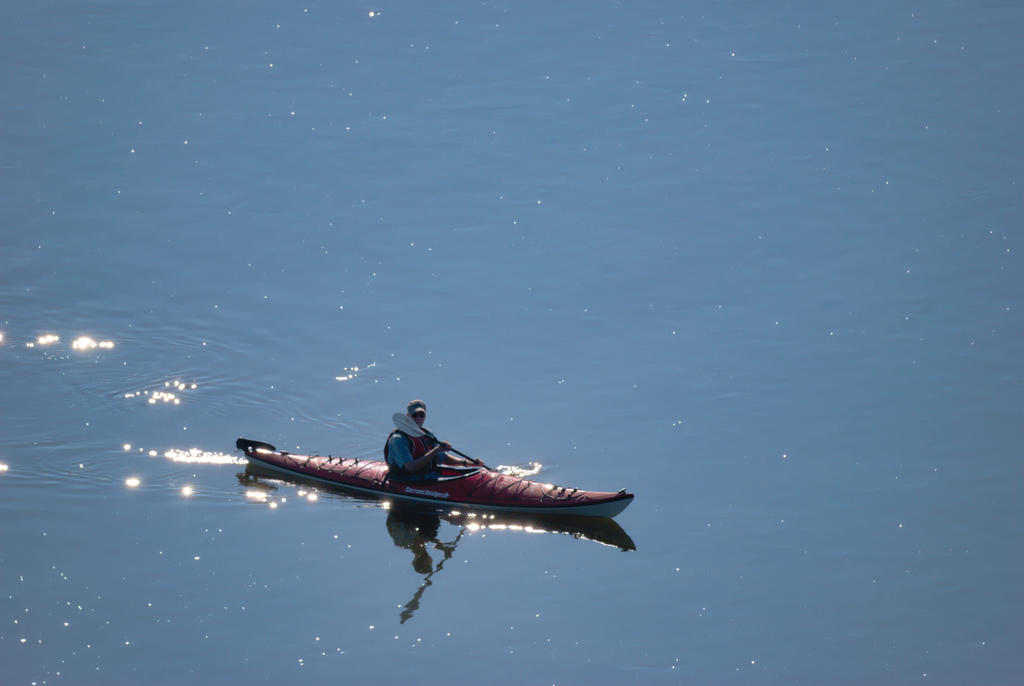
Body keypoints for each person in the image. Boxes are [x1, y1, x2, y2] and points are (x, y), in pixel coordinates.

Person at [384, 399, 475, 478]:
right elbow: (410, 468)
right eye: (415, 415)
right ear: (407, 416)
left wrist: (466, 463)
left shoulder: (427, 434)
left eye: (421, 415)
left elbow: (442, 458)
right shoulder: (398, 439)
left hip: (426, 477)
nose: (418, 418)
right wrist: (436, 450)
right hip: (405, 480)